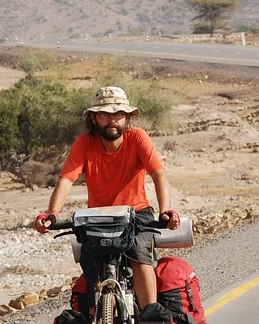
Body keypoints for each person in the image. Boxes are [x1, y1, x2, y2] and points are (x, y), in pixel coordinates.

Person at [33, 86, 179, 306]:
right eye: (105, 114)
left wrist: (165, 210)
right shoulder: (84, 143)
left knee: (139, 256)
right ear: (93, 118)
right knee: (90, 263)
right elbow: (66, 180)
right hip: (97, 217)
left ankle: (151, 315)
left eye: (119, 114)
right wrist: (52, 214)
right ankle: (97, 321)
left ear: (127, 117)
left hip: (136, 213)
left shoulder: (137, 138)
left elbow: (159, 174)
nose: (112, 120)